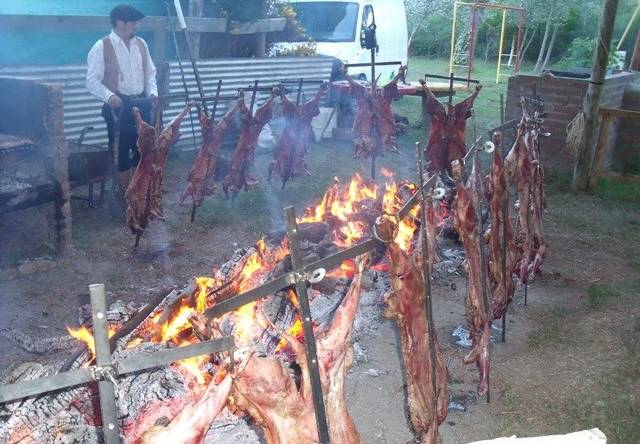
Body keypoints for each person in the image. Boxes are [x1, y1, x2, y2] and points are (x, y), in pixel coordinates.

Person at [86, 4, 158, 202]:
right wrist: (109, 97)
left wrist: (152, 93)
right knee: (121, 154)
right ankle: (123, 197)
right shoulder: (102, 46)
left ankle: (139, 193)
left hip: (142, 102)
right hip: (119, 106)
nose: (135, 26)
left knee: (142, 150)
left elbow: (150, 73)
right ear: (120, 22)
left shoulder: (141, 44)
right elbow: (91, 80)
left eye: (135, 22)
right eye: (131, 22)